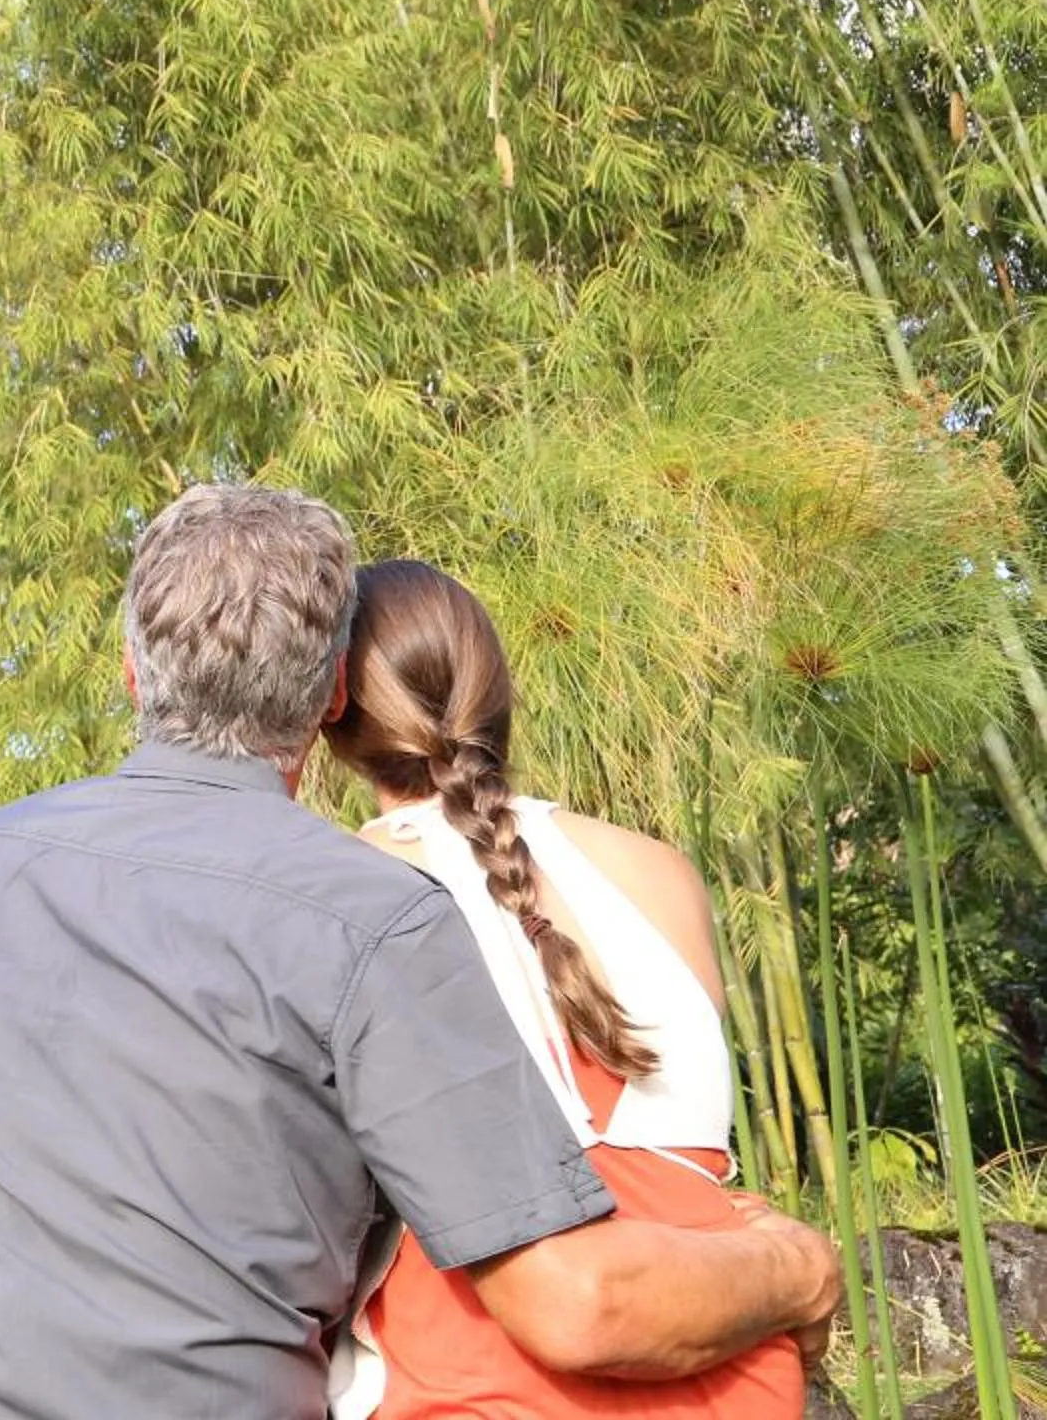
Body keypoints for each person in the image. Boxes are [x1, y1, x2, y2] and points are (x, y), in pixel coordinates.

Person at [0, 484, 837, 1419]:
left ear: (133, 670)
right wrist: (797, 1267)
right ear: (330, 698)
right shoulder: (377, 917)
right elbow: (575, 1304)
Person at [321, 559, 807, 1418]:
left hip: (486, 1377)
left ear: (333, 713)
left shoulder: (340, 893)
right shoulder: (661, 872)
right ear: (499, 695)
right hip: (733, 1370)